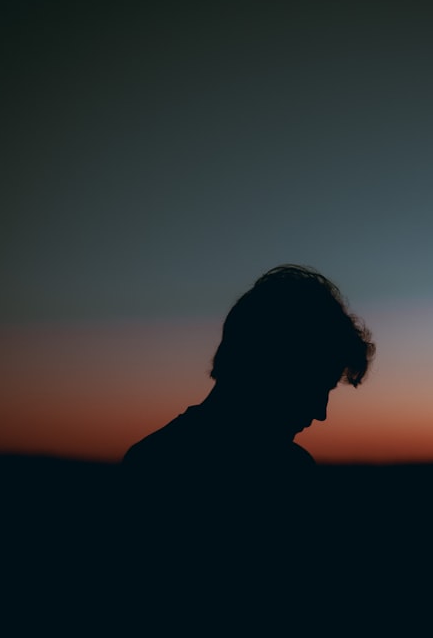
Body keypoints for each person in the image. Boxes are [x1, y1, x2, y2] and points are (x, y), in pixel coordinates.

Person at [116, 265, 374, 621]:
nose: (320, 412)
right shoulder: (158, 470)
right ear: (266, 366)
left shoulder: (293, 470)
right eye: (313, 386)